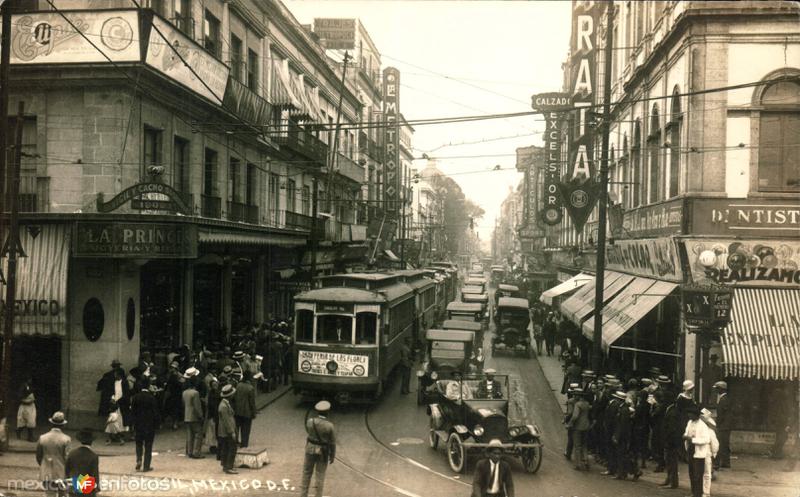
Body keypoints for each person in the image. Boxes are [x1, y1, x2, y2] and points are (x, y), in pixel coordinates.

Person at [300, 400, 336, 497]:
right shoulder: (329, 426)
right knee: (320, 475)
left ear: (317, 411)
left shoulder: (310, 422)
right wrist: (332, 455)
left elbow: (309, 434)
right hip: (323, 452)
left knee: (306, 473)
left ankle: (303, 494)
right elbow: (332, 443)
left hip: (309, 449)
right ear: (327, 412)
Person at [683, 406, 718, 497]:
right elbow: (687, 433)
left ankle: (704, 493)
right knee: (692, 472)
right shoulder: (690, 422)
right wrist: (686, 437)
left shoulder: (705, 428)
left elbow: (712, 443)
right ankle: (694, 491)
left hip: (703, 452)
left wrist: (713, 454)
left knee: (703, 474)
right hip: (692, 450)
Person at [35, 411, 70, 497]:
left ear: (51, 424)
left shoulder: (42, 437)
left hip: (46, 470)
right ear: (62, 425)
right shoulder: (66, 439)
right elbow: (67, 457)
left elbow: (38, 455)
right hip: (61, 471)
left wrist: (43, 464)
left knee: (49, 493)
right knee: (63, 493)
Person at [130, 378, 159, 472]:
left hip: (138, 424)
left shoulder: (135, 397)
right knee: (148, 445)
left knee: (138, 443)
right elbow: (155, 412)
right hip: (149, 425)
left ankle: (139, 459)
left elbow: (133, 412)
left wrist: (133, 424)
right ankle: (146, 466)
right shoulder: (151, 398)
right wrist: (157, 424)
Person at [65, 429, 100, 496]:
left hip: (74, 485)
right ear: (91, 442)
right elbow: (94, 474)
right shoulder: (93, 456)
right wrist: (96, 488)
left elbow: (67, 470)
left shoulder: (72, 453)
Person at [182, 371, 205, 459]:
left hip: (187, 415)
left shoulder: (184, 392)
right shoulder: (195, 393)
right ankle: (196, 452)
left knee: (190, 434)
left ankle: (189, 451)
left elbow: (184, 404)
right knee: (198, 434)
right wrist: (201, 415)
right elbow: (197, 406)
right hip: (194, 416)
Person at [568, 388, 591, 471]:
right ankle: (586, 461)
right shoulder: (587, 404)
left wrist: (570, 423)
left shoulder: (578, 404)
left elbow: (575, 416)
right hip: (586, 426)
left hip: (578, 427)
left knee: (577, 445)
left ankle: (578, 464)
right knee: (584, 444)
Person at [217, 384, 238, 474]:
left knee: (226, 448)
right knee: (232, 448)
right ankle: (229, 466)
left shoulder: (224, 404)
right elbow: (227, 421)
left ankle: (226, 465)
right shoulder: (224, 406)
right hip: (227, 431)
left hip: (224, 431)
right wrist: (232, 432)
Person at [233, 371, 257, 448]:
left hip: (237, 411)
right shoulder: (250, 388)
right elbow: (252, 402)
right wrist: (254, 412)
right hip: (247, 413)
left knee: (236, 428)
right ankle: (244, 445)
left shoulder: (238, 385)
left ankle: (234, 443)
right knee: (245, 431)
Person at [712, 381, 731, 469]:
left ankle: (717, 463)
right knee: (725, 444)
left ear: (721, 389)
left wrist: (717, 424)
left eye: (717, 389)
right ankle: (726, 463)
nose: (716, 390)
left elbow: (721, 415)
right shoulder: (726, 399)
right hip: (726, 425)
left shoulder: (723, 400)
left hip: (723, 426)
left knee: (719, 444)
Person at [17, 377, 37, 442]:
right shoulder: (23, 386)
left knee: (31, 421)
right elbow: (20, 397)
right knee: (23, 422)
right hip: (25, 406)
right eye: (29, 379)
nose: (30, 380)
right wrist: (26, 401)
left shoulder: (30, 386)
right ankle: (18, 431)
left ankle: (30, 437)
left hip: (31, 406)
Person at [205, 378, 221, 455]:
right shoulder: (216, 394)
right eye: (214, 385)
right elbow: (213, 406)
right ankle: (214, 447)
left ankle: (213, 446)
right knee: (214, 432)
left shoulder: (211, 394)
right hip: (214, 416)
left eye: (216, 384)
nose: (216, 386)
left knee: (212, 432)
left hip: (212, 416)